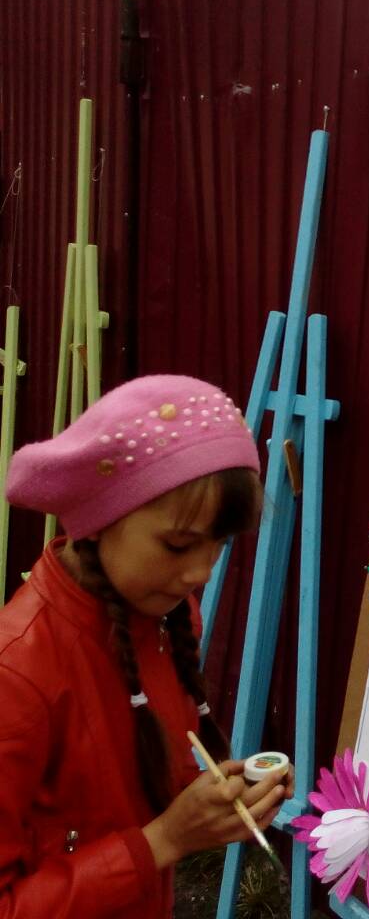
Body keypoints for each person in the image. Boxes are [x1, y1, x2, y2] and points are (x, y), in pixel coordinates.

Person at [0, 374, 292, 918]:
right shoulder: (18, 673)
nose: (201, 573)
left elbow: (135, 783)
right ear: (99, 519)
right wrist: (164, 840)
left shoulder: (167, 619)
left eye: (219, 545)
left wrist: (217, 797)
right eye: (178, 545)